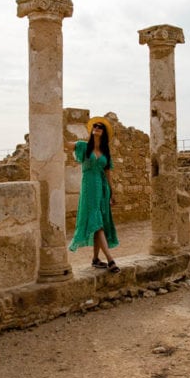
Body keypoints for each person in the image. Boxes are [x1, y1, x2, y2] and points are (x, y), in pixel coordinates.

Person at [68, 116, 120, 272]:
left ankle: (96, 259)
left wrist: (112, 192)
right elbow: (64, 144)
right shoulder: (83, 146)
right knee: (96, 222)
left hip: (102, 188)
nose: (97, 128)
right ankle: (110, 260)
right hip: (89, 187)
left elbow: (108, 172)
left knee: (100, 222)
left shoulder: (105, 152)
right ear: (91, 129)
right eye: (95, 126)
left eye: (100, 127)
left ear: (103, 132)